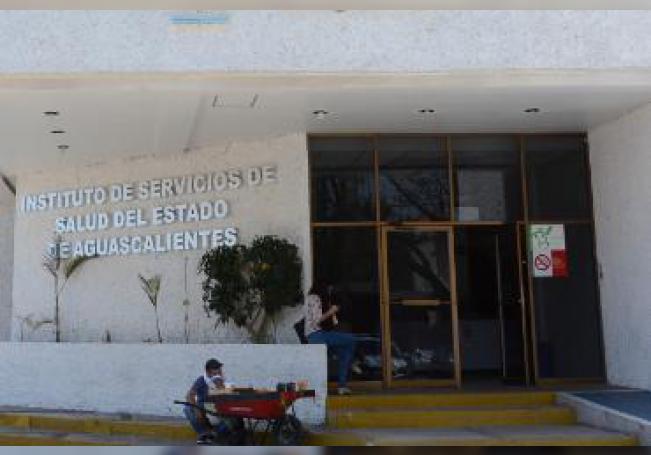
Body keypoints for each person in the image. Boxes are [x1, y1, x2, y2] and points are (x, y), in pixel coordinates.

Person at [304, 282, 356, 395]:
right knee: (350, 340)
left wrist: (332, 312)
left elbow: (333, 323)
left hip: (320, 334)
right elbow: (316, 321)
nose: (330, 291)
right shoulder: (315, 298)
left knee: (346, 345)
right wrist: (332, 311)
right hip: (316, 335)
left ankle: (343, 377)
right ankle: (341, 383)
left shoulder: (319, 299)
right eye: (329, 288)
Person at [184, 358, 239, 444]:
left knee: (233, 418)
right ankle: (203, 433)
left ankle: (214, 434)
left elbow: (229, 395)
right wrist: (196, 409)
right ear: (208, 372)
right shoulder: (202, 380)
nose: (218, 373)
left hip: (218, 406)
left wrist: (221, 386)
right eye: (215, 371)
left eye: (219, 370)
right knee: (187, 409)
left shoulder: (223, 380)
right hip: (204, 406)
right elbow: (189, 395)